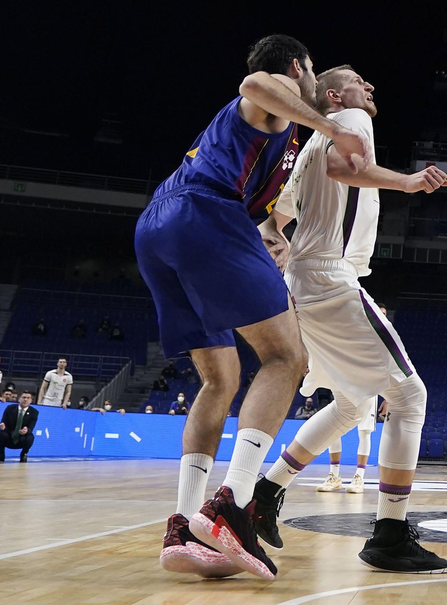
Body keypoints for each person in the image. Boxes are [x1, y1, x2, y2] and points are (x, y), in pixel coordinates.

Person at [136, 34, 372, 580]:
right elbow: (254, 83)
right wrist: (334, 127)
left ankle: (183, 522)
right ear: (298, 68)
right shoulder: (279, 97)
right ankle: (231, 507)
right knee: (287, 359)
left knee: (220, 380)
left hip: (158, 228)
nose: (309, 83)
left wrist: (268, 232)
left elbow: (256, 201)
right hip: (203, 215)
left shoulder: (278, 142)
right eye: (310, 72)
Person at [251, 64, 447, 574]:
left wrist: (279, 246)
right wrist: (407, 183)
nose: (371, 87)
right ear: (336, 95)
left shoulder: (309, 145)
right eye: (363, 81)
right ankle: (389, 532)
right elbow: (345, 169)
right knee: (410, 397)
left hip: (305, 282)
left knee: (350, 404)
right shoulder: (351, 120)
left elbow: (275, 215)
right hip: (329, 277)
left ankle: (266, 491)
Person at [0, 391, 38, 462]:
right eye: (24, 397)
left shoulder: (34, 412)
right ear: (19, 399)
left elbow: (31, 427)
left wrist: (26, 430)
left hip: (21, 437)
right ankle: (1, 455)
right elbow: (3, 422)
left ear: (31, 400)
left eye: (28, 398)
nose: (25, 399)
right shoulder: (10, 408)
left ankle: (24, 454)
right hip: (9, 435)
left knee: (30, 437)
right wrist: (3, 427)